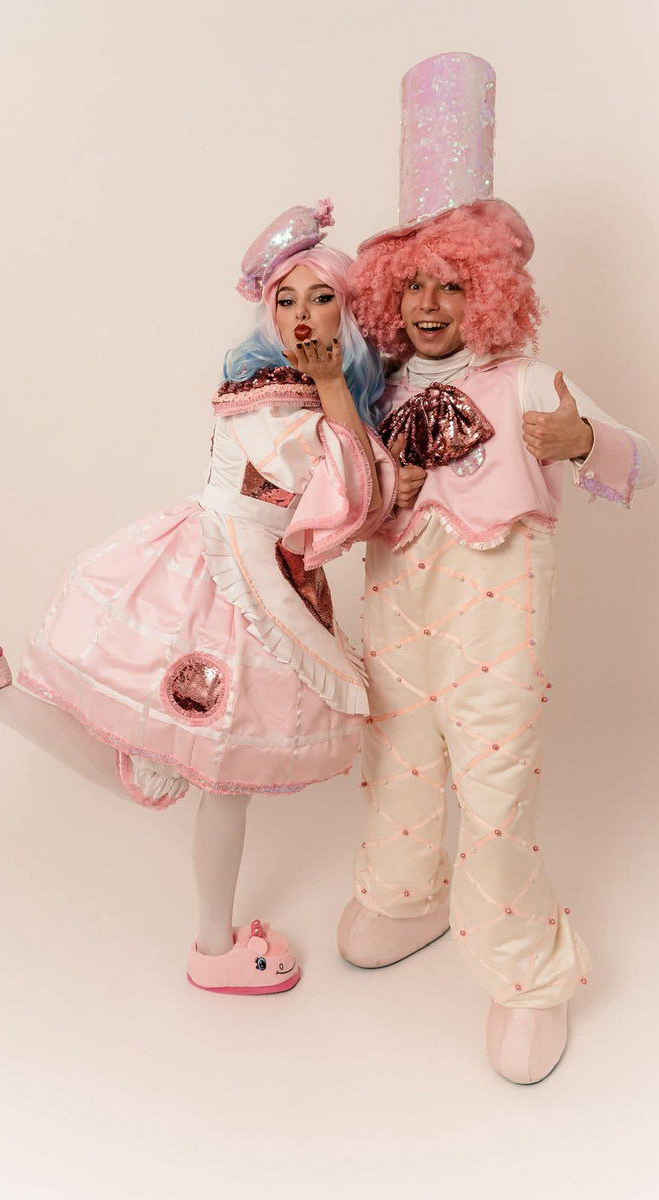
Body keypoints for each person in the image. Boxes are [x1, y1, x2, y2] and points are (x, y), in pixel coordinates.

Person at [0, 199, 397, 997]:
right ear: (268, 314)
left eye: (320, 297)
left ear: (347, 310)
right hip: (233, 574)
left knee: (190, 773)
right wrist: (337, 390)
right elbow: (355, 497)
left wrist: (341, 393)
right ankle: (211, 947)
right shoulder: (276, 396)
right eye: (286, 300)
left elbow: (352, 488)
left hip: (246, 563)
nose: (301, 315)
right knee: (211, 772)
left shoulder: (291, 391)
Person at [337, 53, 656, 1082]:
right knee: (399, 756)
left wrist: (583, 442)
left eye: (453, 284)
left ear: (489, 293)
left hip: (495, 610)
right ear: (388, 294)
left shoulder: (527, 380)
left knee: (492, 781)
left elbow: (640, 457)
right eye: (413, 285)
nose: (430, 304)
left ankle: (527, 973)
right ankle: (404, 894)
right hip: (397, 605)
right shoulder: (375, 389)